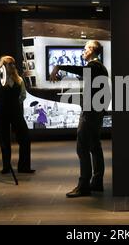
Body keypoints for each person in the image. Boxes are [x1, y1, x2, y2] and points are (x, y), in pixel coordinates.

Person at [50, 40, 110, 198]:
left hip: (90, 112)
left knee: (82, 147)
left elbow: (81, 70)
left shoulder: (94, 66)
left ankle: (84, 186)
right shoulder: (99, 67)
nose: (83, 52)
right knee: (95, 147)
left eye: (85, 49)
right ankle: (96, 182)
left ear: (92, 50)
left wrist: (59, 66)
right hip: (95, 111)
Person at [0, 56, 34, 174]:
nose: (13, 66)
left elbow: (23, 95)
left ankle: (24, 166)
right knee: (4, 140)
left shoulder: (19, 79)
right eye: (9, 64)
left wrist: (14, 104)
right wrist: (1, 104)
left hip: (15, 111)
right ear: (3, 66)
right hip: (1, 112)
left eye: (13, 64)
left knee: (25, 138)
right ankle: (6, 166)